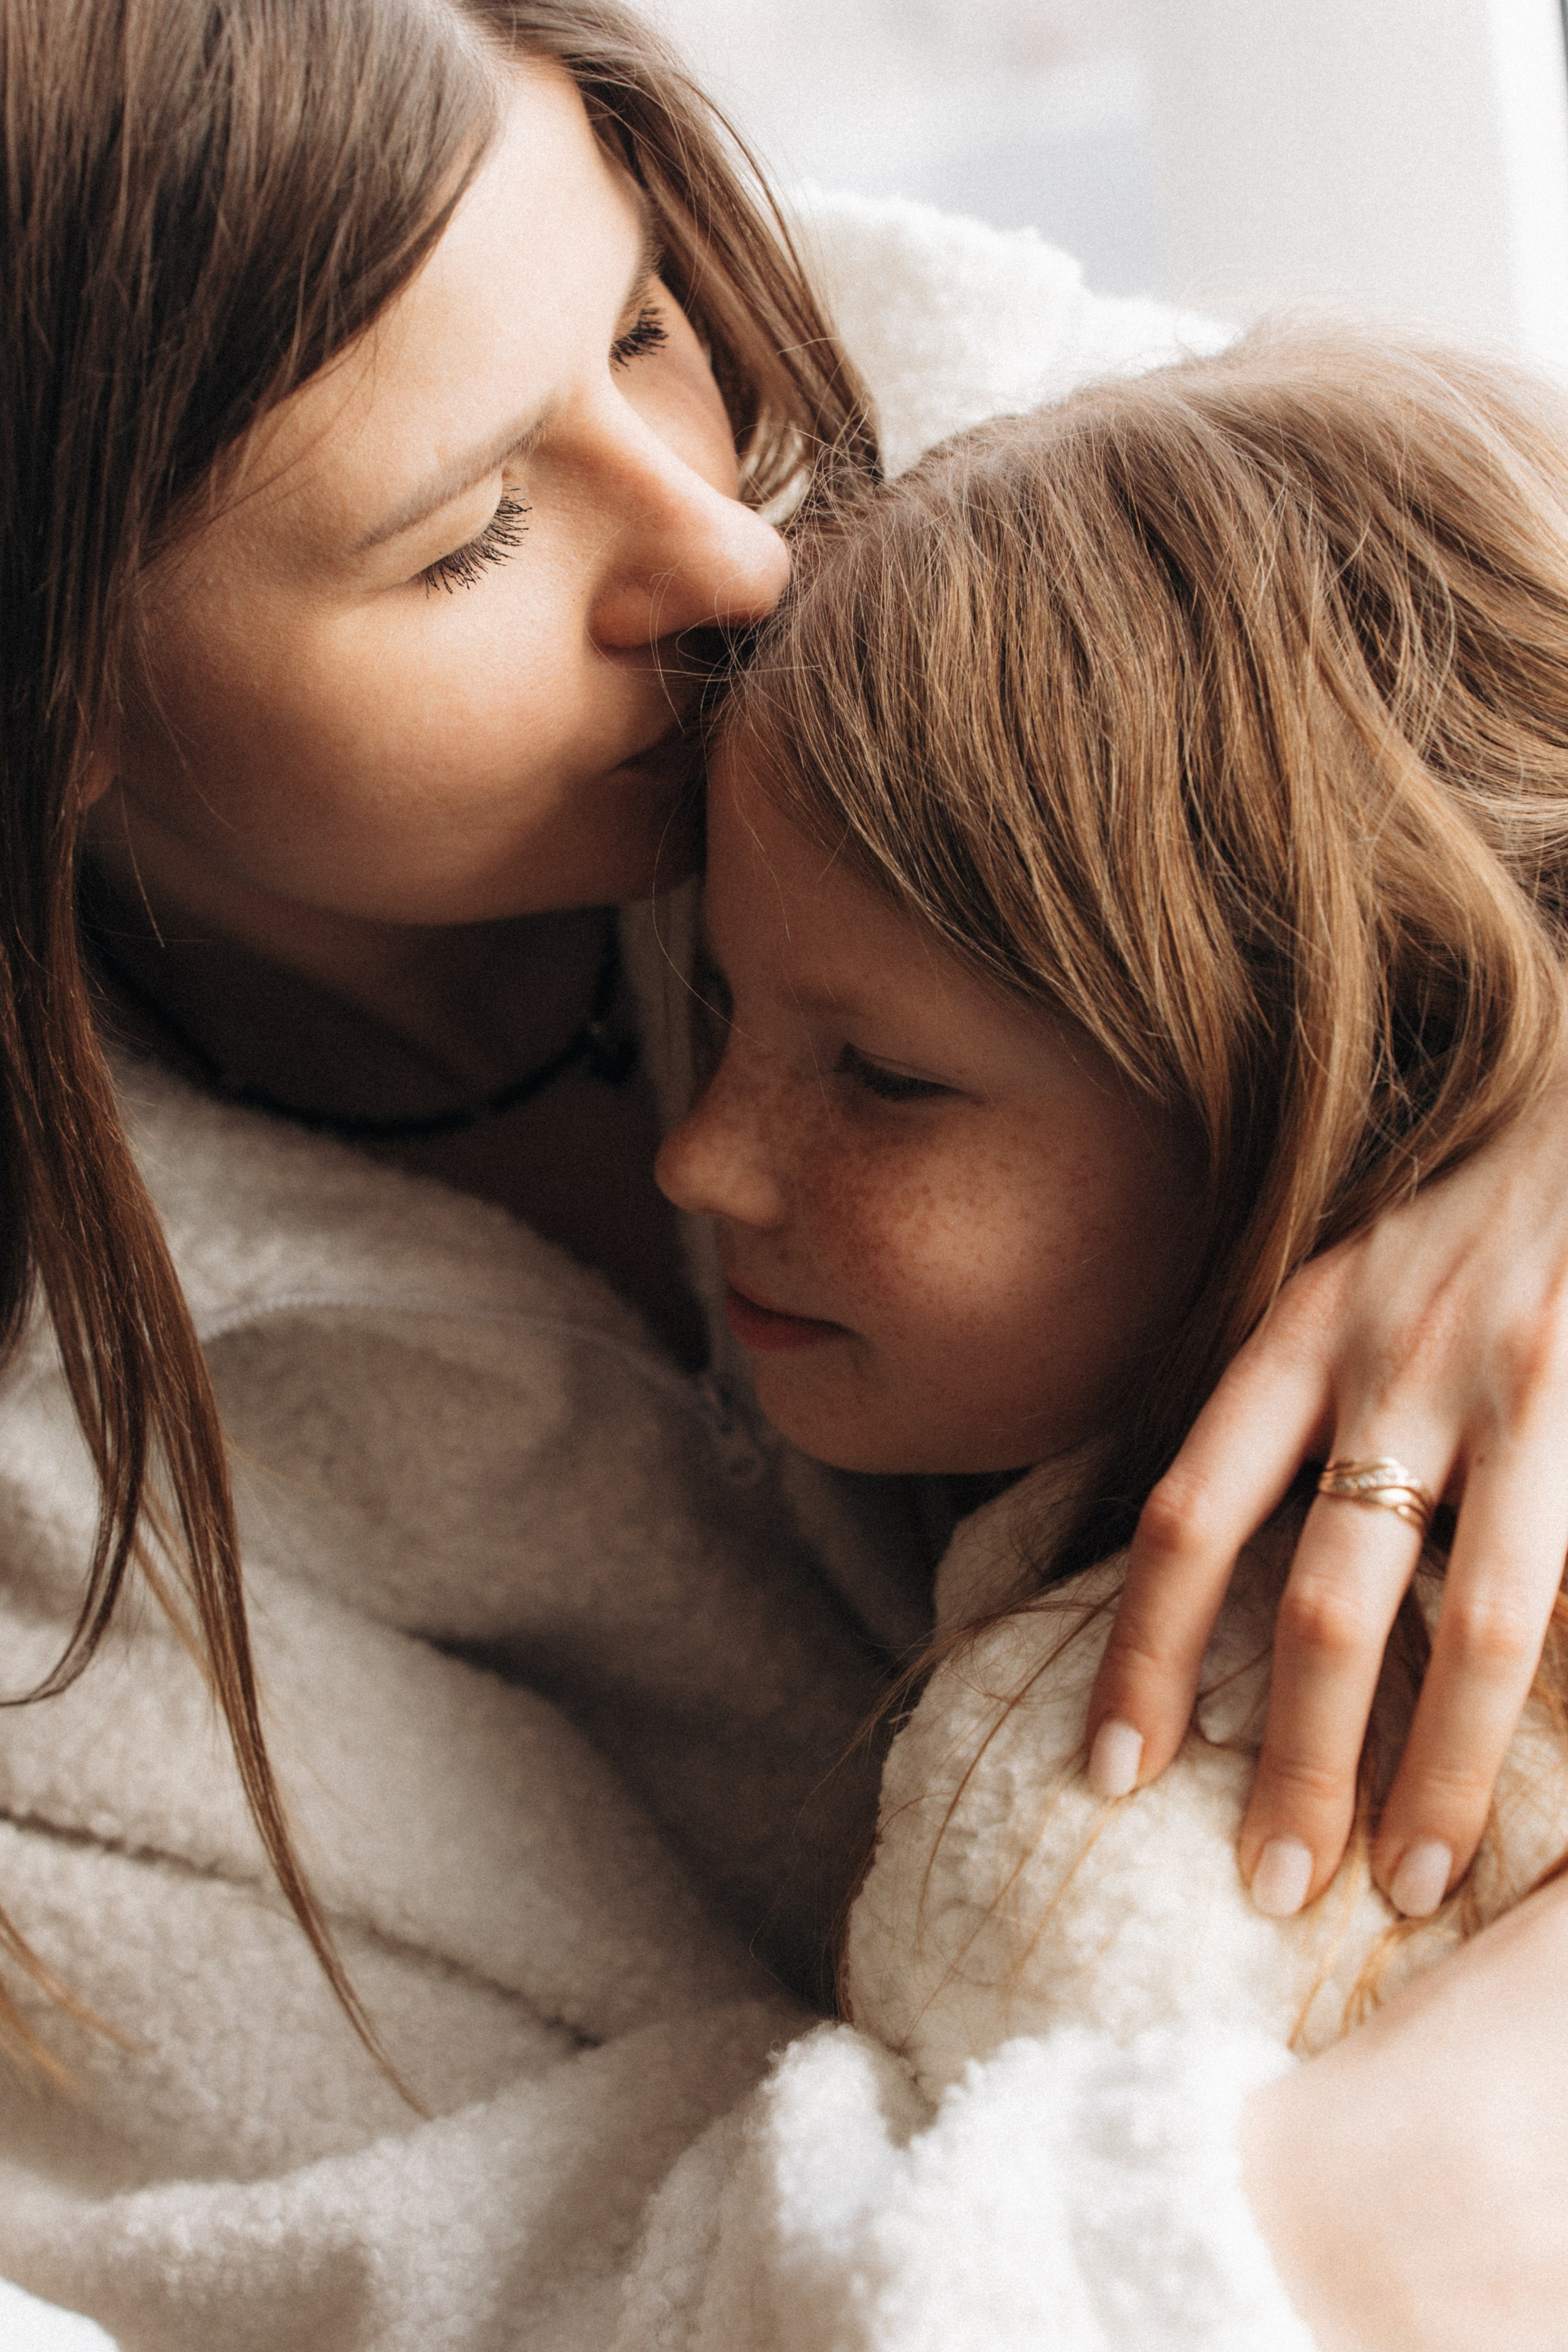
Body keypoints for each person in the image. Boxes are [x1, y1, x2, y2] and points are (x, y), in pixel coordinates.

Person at [2, 1, 1568, 2343]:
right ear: (61, 695)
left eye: (646, 321)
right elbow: (567, 2307)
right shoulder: (53, 1587)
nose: (732, 551)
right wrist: (1382, 2202)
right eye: (472, 539)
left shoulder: (1034, 480)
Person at [654, 321, 1568, 2343]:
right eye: (721, 1015)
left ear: (1362, 1087)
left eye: (880, 1077)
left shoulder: (1103, 1799)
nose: (698, 1159)